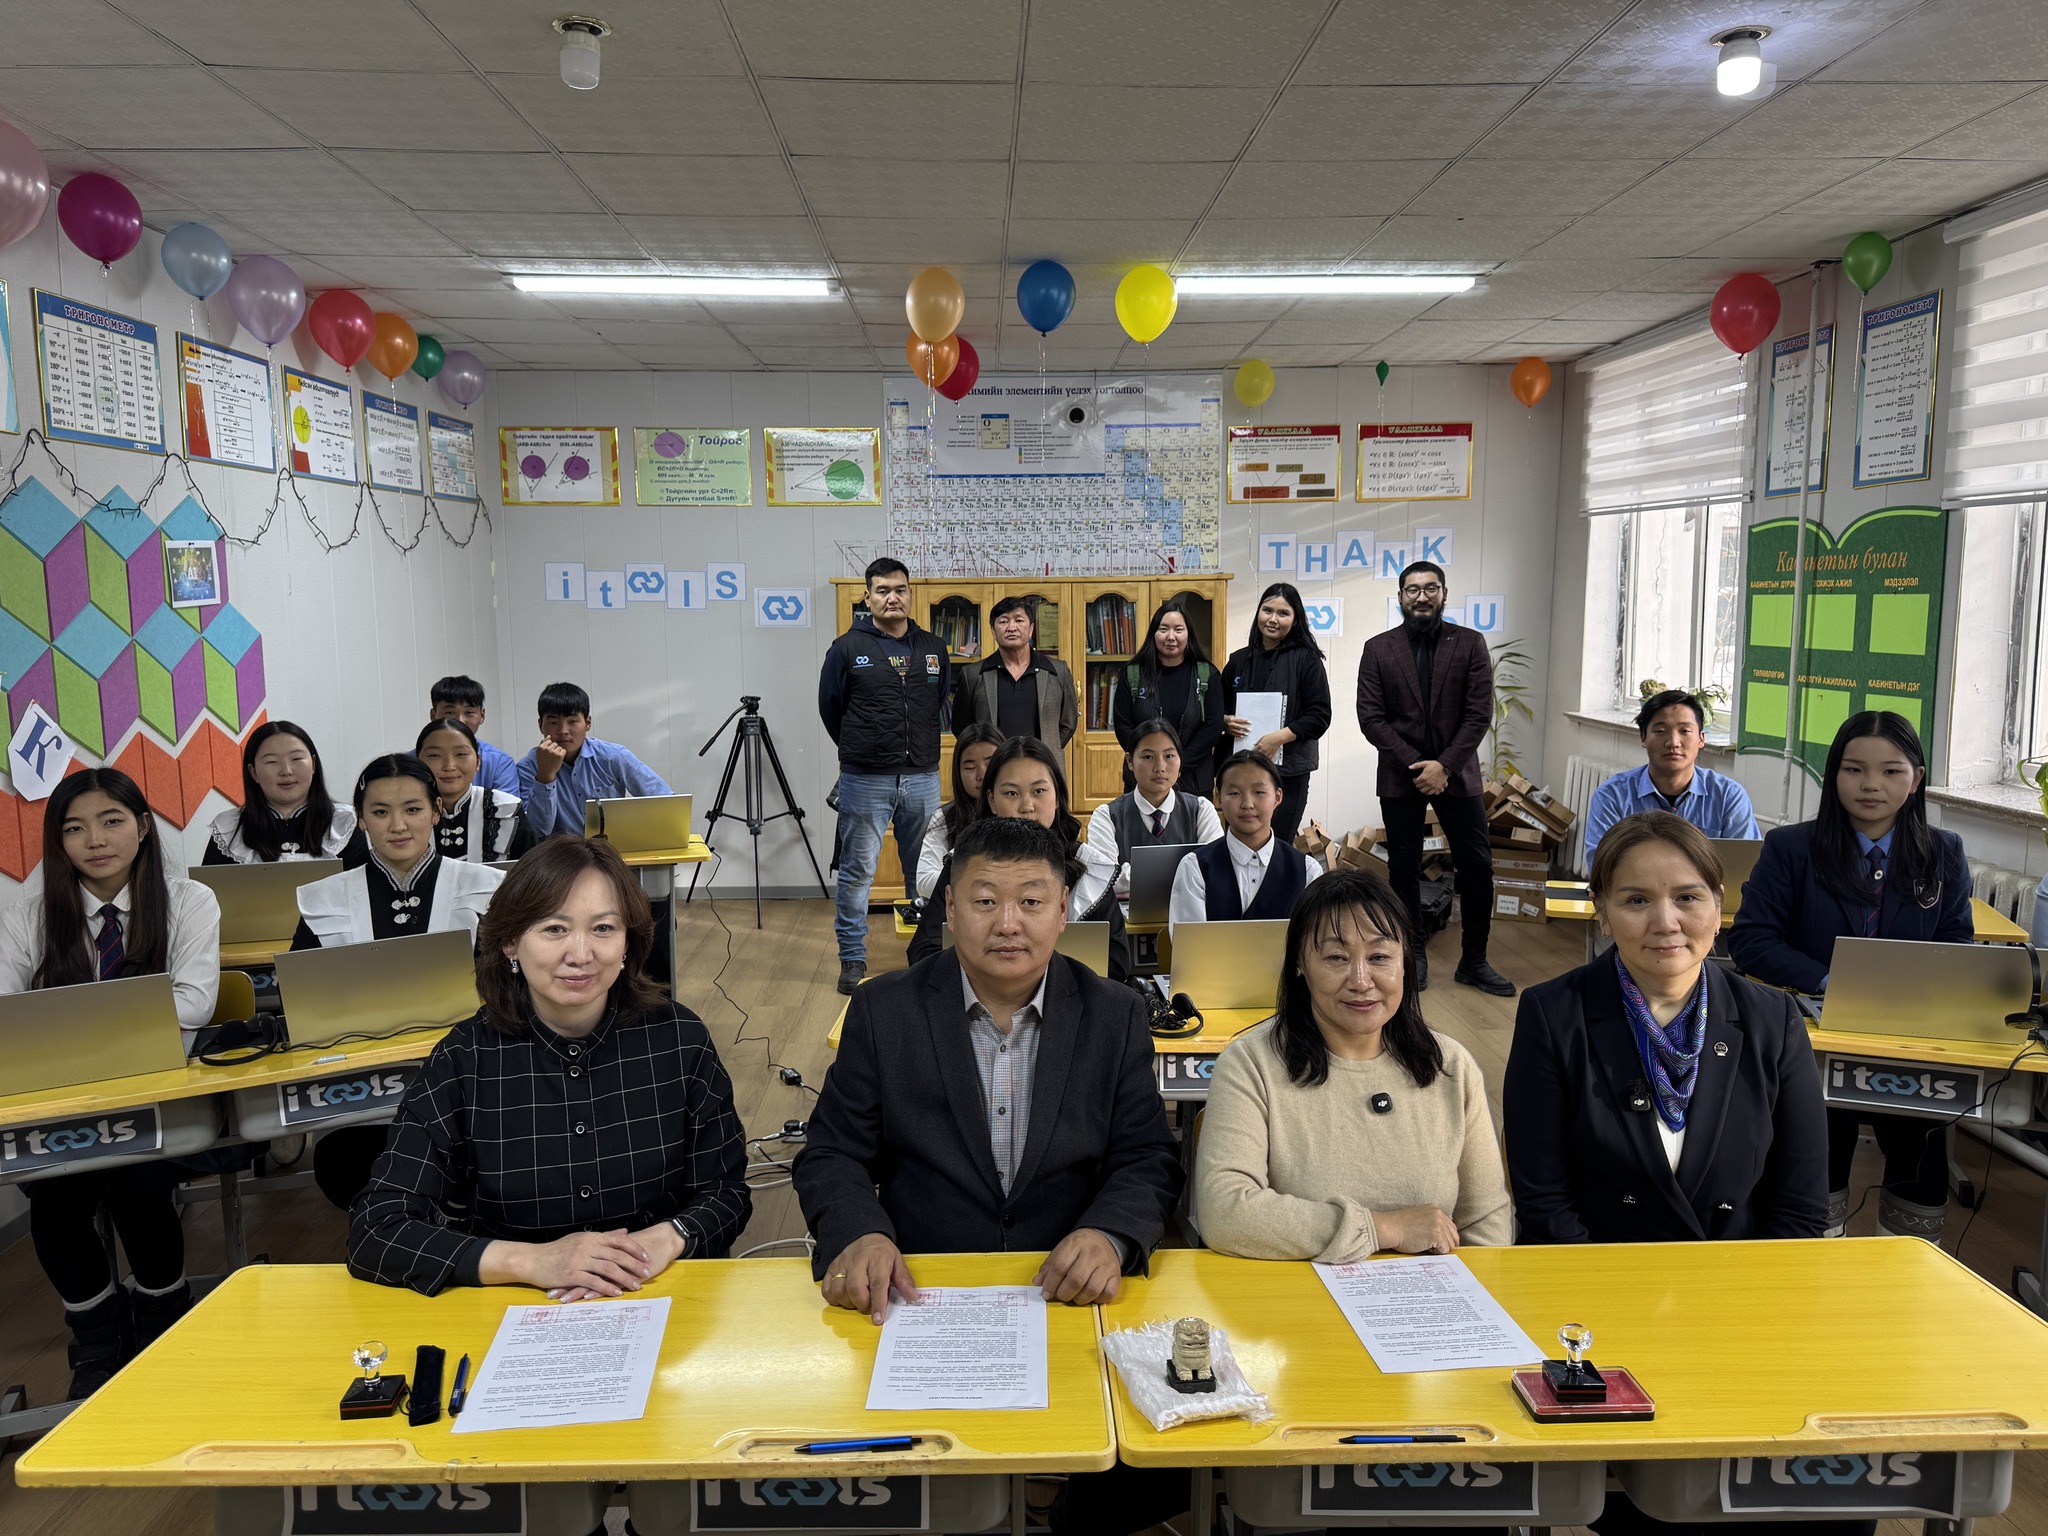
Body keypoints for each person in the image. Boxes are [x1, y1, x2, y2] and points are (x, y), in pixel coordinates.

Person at [795, 813, 1185, 1536]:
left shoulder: (1115, 1013)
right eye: (984, 900)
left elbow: (1146, 1156)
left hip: (1067, 1292)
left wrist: (1108, 1233)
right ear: (949, 907)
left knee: (1144, 1463)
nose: (1008, 923)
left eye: (1032, 901)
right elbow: (832, 1154)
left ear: (1063, 910)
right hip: (923, 1293)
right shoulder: (884, 1010)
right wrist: (859, 1234)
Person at [1507, 813, 1837, 1535]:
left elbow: (1799, 1210)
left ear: (1719, 905)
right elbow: (1546, 1206)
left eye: (1688, 897)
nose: (1666, 922)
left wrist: (1737, 1325)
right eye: (1636, 900)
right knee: (1656, 1511)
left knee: (1832, 1503)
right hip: (1604, 1320)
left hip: (1742, 1313)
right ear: (1601, 910)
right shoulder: (1555, 1014)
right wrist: (1621, 1331)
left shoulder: (1773, 1019)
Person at [349, 836, 750, 1295]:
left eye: (603, 928)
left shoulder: (679, 1038)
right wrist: (533, 1260)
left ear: (628, 942)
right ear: (510, 943)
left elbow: (727, 1193)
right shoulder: (463, 1059)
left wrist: (665, 1238)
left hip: (652, 1288)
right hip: (514, 1301)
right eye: (555, 929)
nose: (580, 954)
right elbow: (377, 1229)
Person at [0, 768, 221, 1397]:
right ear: (58, 841)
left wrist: (65, 1022)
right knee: (53, 1204)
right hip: (61, 1098)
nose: (95, 840)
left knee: (138, 1187)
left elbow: (196, 1002)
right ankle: (98, 1338)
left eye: (111, 821)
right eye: (74, 828)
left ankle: (161, 1316)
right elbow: (6, 1011)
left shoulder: (189, 901)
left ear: (144, 827)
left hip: (157, 1091)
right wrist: (121, 1021)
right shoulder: (29, 915)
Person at [1728, 711, 1970, 1241]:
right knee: (1821, 1143)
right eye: (1854, 769)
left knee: (1921, 1147)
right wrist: (1828, 980)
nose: (1870, 785)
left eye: (1891, 771)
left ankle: (1906, 1265)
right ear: (1833, 773)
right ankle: (1818, 1257)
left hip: (1908, 1037)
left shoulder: (1944, 852)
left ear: (1916, 778)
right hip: (1814, 1034)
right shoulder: (1791, 848)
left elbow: (1957, 944)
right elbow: (1751, 940)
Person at [1196, 868, 1512, 1260]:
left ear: (1405, 962)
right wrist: (1382, 1229)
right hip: (1297, 1292)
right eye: (1336, 958)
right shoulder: (1250, 1065)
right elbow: (1226, 1211)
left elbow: (1487, 1222)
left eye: (1379, 957)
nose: (1361, 981)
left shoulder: (1450, 1066)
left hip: (1431, 1294)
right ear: (1299, 964)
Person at [1355, 561, 1512, 997]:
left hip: (1456, 773)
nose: (1421, 596)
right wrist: (1417, 764)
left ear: (1444, 593)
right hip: (1400, 772)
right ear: (1400, 597)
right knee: (1403, 867)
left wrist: (1444, 766)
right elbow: (1370, 717)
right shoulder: (1378, 649)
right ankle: (1413, 954)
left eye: (1430, 588)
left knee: (1477, 866)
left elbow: (1478, 713)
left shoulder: (1470, 643)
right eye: (1412, 590)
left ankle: (1474, 960)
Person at [818, 557, 951, 994]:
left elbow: (938, 701)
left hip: (922, 777)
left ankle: (925, 954)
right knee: (857, 872)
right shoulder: (845, 648)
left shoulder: (933, 647)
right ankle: (852, 958)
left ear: (910, 594)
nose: (892, 597)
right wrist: (864, 747)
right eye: (883, 590)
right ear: (867, 597)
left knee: (924, 870)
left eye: (900, 589)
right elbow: (831, 709)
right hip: (865, 779)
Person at [911, 736, 1130, 980]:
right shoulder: (965, 862)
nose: (1027, 806)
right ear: (992, 800)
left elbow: (1116, 962)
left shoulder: (1088, 866)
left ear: (1057, 797)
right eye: (1012, 793)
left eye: (1039, 791)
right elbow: (924, 951)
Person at [291, 755, 504, 951]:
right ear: (361, 817)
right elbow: (301, 978)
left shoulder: (487, 888)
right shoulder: (324, 899)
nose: (398, 826)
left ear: (436, 810)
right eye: (380, 812)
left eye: (412, 810)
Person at [1583, 688, 1758, 862]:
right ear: (1643, 737)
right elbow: (1602, 867)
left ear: (1701, 739)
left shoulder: (1728, 797)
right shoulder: (1612, 796)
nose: (1673, 742)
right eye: (1660, 731)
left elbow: (1745, 866)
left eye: (1685, 731)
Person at [1219, 581, 1332, 847]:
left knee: (1277, 844)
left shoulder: (1307, 659)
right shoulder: (1238, 660)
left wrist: (1279, 738)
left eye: (1283, 613)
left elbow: (1320, 715)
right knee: (1237, 844)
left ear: (1295, 620)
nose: (1273, 619)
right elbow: (1217, 709)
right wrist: (1225, 720)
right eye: (1267, 610)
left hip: (1288, 772)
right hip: (1240, 770)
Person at [1167, 750, 1321, 937]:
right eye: (1234, 793)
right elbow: (1190, 945)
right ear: (1218, 797)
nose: (1247, 804)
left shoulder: (1307, 870)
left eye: (1259, 792)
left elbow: (1314, 941)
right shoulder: (1195, 867)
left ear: (1277, 797)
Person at [1083, 718, 1224, 898]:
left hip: (1189, 913)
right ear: (1130, 761)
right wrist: (1184, 876)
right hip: (1124, 916)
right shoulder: (1107, 815)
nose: (1160, 767)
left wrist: (1131, 881)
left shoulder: (1201, 810)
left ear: (1180, 761)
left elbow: (1214, 871)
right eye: (1148, 757)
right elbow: (1102, 878)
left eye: (1169, 756)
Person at [516, 681, 672, 840]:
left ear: (588, 723)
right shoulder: (528, 767)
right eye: (553, 722)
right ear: (540, 725)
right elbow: (538, 832)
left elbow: (666, 802)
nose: (563, 731)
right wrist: (545, 777)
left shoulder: (613, 757)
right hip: (561, 854)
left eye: (572, 721)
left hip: (612, 850)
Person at [1112, 600, 1224, 797]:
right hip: (1143, 777)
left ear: (1188, 634)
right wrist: (1151, 761)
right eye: (1163, 629)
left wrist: (1176, 764)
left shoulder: (1207, 675)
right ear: (1153, 634)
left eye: (1178, 630)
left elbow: (1212, 728)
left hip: (1194, 779)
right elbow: (1123, 726)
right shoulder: (1133, 674)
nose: (1171, 637)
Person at [203, 720, 355, 864]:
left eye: (296, 758)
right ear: (253, 772)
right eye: (272, 762)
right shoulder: (230, 828)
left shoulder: (344, 822)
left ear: (313, 764)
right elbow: (211, 883)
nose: (286, 771)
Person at [951, 595, 1078, 746]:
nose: (1012, 628)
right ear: (993, 631)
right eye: (1004, 621)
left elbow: (1068, 723)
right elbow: (962, 727)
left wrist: (1047, 750)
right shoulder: (972, 675)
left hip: (1043, 760)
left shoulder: (1058, 671)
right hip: (994, 760)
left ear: (1031, 629)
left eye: (1019, 620)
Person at [414, 717, 536, 864]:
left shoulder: (507, 809)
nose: (449, 766)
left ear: (478, 762)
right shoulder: (404, 811)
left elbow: (532, 871)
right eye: (434, 755)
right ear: (418, 762)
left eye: (460, 754)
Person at [915, 721, 1002, 901]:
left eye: (990, 763)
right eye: (970, 768)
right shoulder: (946, 817)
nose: (981, 775)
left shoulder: (1025, 810)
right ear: (958, 772)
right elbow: (924, 881)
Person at [429, 673, 519, 796]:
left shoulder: (499, 763)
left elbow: (507, 806)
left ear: (482, 716)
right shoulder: (413, 760)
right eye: (449, 712)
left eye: (469, 712)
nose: (460, 720)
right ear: (433, 715)